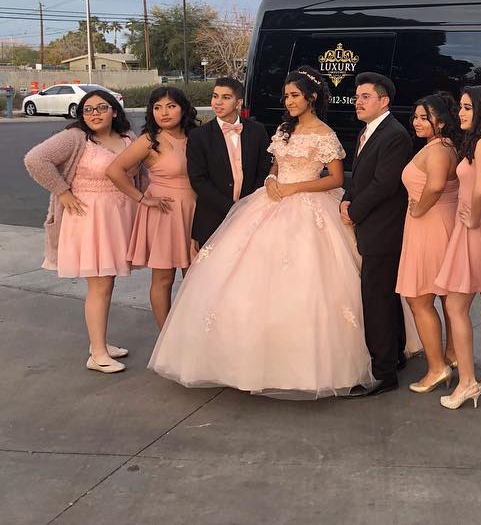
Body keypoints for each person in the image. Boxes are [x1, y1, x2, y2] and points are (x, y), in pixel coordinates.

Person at [148, 66, 372, 398]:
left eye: (295, 95)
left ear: (311, 98)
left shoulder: (324, 133)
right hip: (270, 201)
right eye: (286, 96)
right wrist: (271, 180)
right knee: (243, 278)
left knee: (312, 285)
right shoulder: (283, 130)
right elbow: (275, 167)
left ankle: (306, 367)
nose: (289, 101)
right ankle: (240, 360)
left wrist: (296, 189)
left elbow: (336, 179)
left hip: (309, 207)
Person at [24, 89, 143, 374]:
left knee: (108, 280)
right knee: (99, 284)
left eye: (101, 108)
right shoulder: (76, 138)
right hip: (90, 219)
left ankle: (98, 343)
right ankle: (98, 353)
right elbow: (35, 159)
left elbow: (142, 173)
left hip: (120, 216)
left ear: (115, 110)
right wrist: (62, 191)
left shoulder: (127, 138)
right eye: (88, 110)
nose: (94, 114)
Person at [339, 73, 415, 397]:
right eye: (357, 96)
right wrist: (346, 197)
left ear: (383, 101)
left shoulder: (394, 135)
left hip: (384, 229)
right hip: (372, 225)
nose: (358, 101)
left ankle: (383, 373)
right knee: (385, 296)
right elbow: (361, 176)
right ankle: (395, 355)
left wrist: (354, 212)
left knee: (376, 299)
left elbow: (385, 184)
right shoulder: (368, 131)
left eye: (365, 96)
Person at [435, 85, 481, 409]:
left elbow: (479, 191)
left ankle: (468, 382)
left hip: (477, 224)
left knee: (455, 306)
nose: (461, 113)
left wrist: (473, 220)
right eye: (461, 108)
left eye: (467, 108)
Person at [106, 86, 198, 329]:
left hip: (195, 211)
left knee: (196, 277)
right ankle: (166, 337)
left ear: (183, 108)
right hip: (164, 212)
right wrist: (142, 198)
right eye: (157, 108)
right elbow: (114, 171)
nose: (164, 113)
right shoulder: (150, 140)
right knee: (164, 278)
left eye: (170, 106)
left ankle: (195, 335)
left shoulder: (196, 136)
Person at [396, 92, 460, 394]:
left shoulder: (438, 150)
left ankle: (437, 368)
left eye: (425, 117)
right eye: (416, 116)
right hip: (441, 225)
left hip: (430, 227)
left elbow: (434, 185)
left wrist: (419, 208)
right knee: (446, 297)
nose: (417, 122)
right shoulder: (447, 146)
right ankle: (451, 356)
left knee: (419, 298)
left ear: (442, 122)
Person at [186, 77, 272, 249]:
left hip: (251, 215)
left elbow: (263, 170)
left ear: (238, 102)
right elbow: (198, 180)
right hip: (213, 217)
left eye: (226, 97)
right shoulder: (199, 136)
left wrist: (248, 204)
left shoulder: (257, 130)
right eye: (215, 96)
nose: (218, 102)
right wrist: (231, 208)